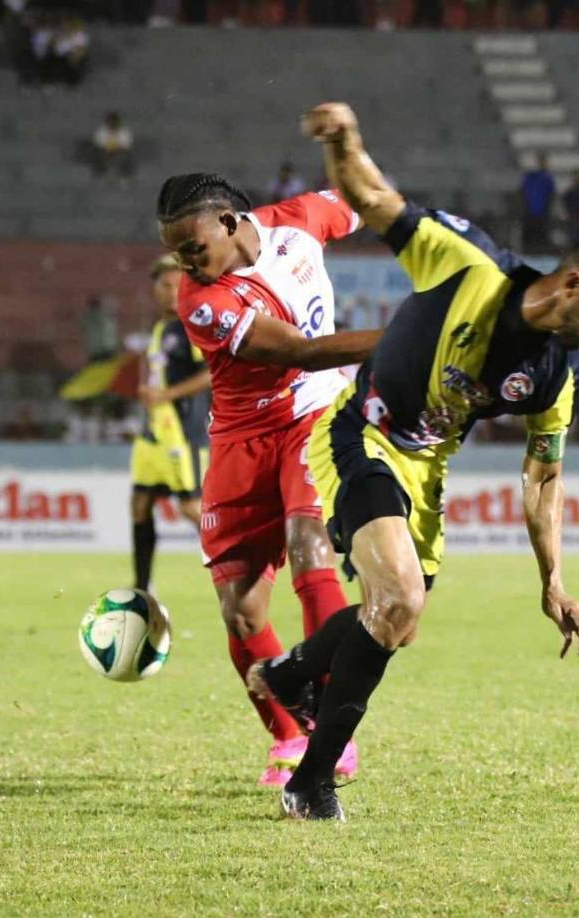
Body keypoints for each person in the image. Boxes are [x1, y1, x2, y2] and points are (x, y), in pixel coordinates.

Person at [247, 101, 579, 821]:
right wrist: (344, 138)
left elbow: (543, 476)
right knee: (397, 598)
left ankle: (291, 672)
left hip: (424, 467)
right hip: (361, 434)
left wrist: (553, 581)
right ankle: (310, 781)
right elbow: (374, 198)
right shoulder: (469, 265)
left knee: (396, 621)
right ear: (574, 284)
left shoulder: (554, 377)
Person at [156, 172, 381, 787]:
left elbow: (370, 200)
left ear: (229, 222)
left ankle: (334, 732)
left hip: (315, 415)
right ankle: (289, 734)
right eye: (176, 254)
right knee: (242, 612)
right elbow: (300, 351)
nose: (185, 264)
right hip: (241, 438)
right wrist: (410, 339)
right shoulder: (200, 299)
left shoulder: (299, 220)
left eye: (193, 248)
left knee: (311, 549)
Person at [130, 254, 211, 593]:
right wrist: (150, 392)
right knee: (140, 505)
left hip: (184, 431)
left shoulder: (193, 327)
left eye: (176, 285)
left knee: (191, 507)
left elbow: (210, 373)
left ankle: (240, 566)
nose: (170, 292)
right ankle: (142, 587)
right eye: (164, 285)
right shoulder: (161, 328)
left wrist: (166, 395)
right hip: (154, 433)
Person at [518, 152, 556, 254]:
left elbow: (551, 195)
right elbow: (523, 192)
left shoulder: (547, 178)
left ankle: (539, 251)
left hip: (542, 212)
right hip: (531, 212)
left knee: (540, 234)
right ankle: (530, 250)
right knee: (532, 234)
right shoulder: (531, 177)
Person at [92, 111, 134, 182]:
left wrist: (117, 147)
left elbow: (127, 143)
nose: (112, 124)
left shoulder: (124, 131)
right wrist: (107, 148)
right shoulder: (102, 131)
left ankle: (122, 174)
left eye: (114, 122)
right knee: (99, 155)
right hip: (105, 152)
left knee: (123, 157)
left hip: (120, 152)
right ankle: (103, 173)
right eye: (110, 122)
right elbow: (98, 142)